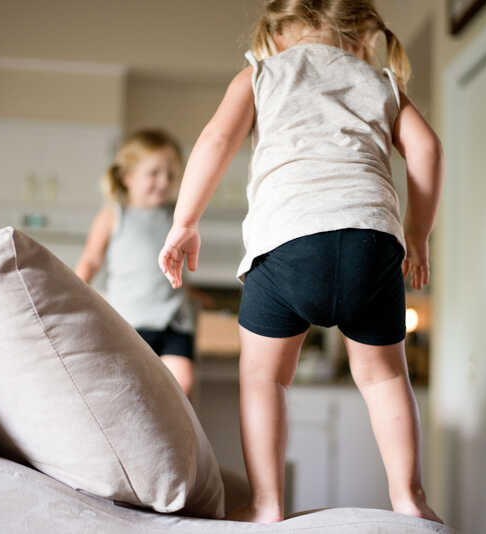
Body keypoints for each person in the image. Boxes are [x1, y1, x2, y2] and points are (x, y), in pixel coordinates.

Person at [158, 0, 444, 524]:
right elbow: (426, 148)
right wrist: (418, 234)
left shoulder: (260, 74)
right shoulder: (379, 82)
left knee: (265, 378)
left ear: (277, 33)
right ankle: (408, 498)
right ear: (361, 35)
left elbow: (215, 140)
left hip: (286, 245)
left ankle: (267, 504)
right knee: (383, 379)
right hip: (372, 244)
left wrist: (184, 222)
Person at [76, 129, 199, 397]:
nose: (164, 181)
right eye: (154, 173)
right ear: (128, 176)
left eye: (170, 174)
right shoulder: (114, 215)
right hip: (128, 321)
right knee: (132, 391)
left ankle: (170, 437)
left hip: (173, 320)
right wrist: (74, 291)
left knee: (181, 384)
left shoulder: (179, 215)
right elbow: (91, 259)